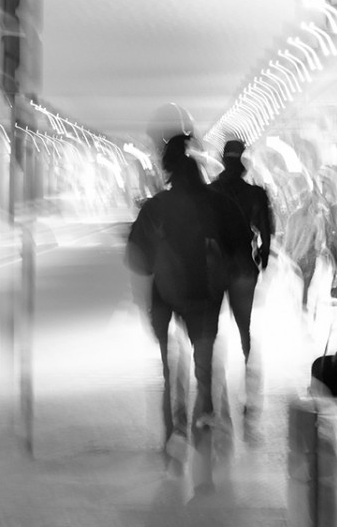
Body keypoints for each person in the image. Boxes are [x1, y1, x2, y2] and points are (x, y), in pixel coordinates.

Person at [125, 133, 246, 452]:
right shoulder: (216, 204)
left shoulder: (157, 207)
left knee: (170, 369)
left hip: (166, 297)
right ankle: (204, 420)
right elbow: (239, 244)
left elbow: (135, 254)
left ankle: (174, 432)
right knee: (204, 365)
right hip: (205, 299)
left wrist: (148, 288)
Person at [207, 140, 274, 408]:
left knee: (210, 326)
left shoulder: (210, 192)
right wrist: (263, 256)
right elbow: (267, 231)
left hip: (214, 268)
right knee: (244, 325)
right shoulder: (256, 194)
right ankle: (249, 377)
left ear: (223, 162)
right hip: (243, 266)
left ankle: (211, 383)